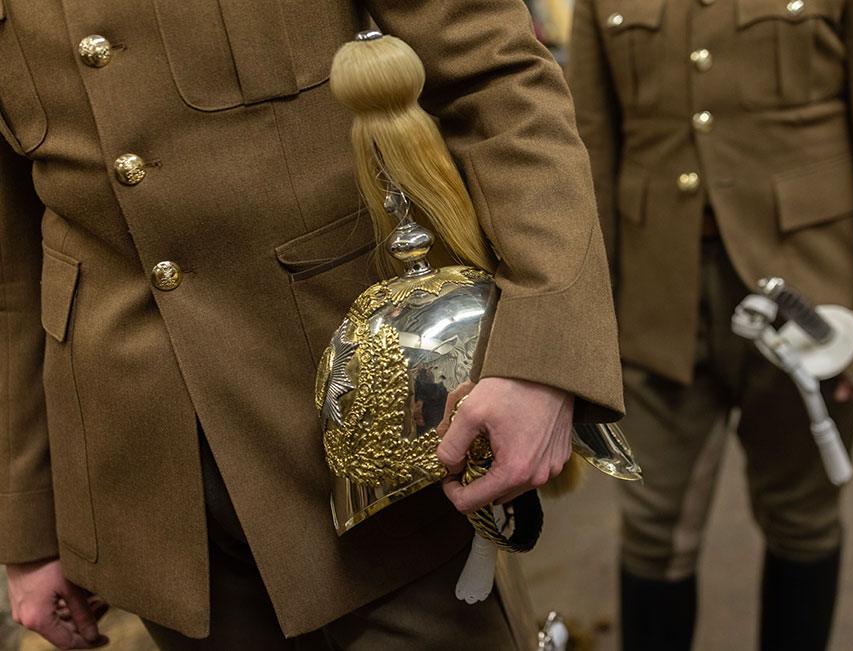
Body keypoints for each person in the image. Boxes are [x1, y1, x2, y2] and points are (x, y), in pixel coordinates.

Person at [0, 1, 623, 649]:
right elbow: (15, 253)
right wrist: (28, 523)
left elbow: (495, 82)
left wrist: (541, 358)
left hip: (375, 434)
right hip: (147, 482)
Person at [568, 1, 853, 649]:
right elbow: (592, 144)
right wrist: (582, 326)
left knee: (803, 521)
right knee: (652, 528)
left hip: (811, 293)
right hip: (657, 296)